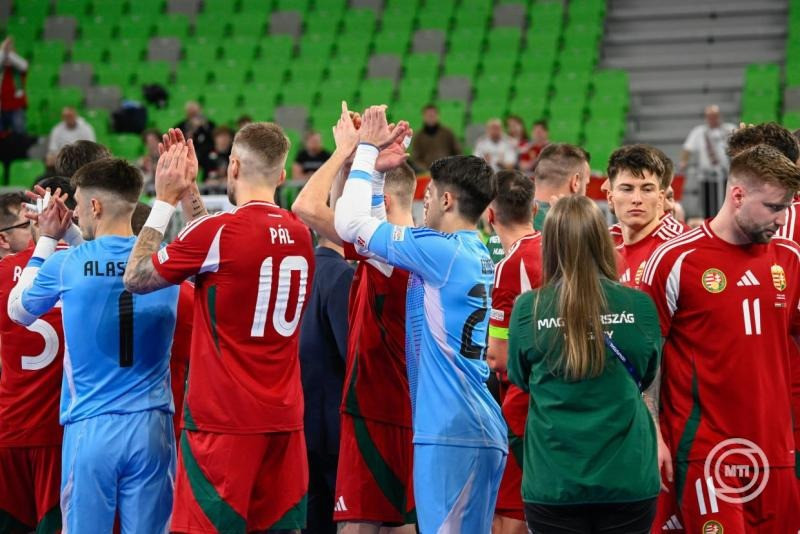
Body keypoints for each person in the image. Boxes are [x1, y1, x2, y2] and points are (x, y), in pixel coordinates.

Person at [123, 122, 315, 533]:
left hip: (223, 423)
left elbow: (137, 277)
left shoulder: (220, 233)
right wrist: (191, 191)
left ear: (231, 167)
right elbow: (220, 252)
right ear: (282, 176)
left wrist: (164, 200)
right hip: (284, 421)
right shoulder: (301, 235)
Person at [335, 105, 507, 533]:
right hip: (471, 424)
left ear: (446, 200)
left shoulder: (440, 251)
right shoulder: (470, 250)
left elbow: (349, 223)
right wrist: (375, 173)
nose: (422, 202)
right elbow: (374, 243)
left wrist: (364, 152)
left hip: (451, 430)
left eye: (427, 196)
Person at [7, 158, 180, 533]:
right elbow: (117, 263)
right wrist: (73, 235)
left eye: (80, 204)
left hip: (91, 428)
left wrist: (50, 238)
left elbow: (18, 311)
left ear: (95, 207)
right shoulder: (167, 261)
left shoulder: (67, 264)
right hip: (152, 427)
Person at [641, 145, 800, 532]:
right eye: (774, 207)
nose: (783, 219)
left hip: (777, 451)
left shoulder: (789, 258)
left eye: (787, 208)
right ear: (738, 194)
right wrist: (653, 435)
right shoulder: (675, 259)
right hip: (707, 454)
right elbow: (647, 360)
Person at [293, 107, 417, 533]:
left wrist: (354, 150)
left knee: (359, 527)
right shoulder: (417, 249)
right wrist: (360, 163)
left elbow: (307, 206)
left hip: (376, 412)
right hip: (404, 407)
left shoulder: (386, 252)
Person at [508, 195, 661, 533]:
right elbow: (647, 374)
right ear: (602, 240)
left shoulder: (528, 309)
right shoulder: (639, 306)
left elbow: (519, 378)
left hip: (554, 481)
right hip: (627, 477)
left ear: (550, 245)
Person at [0, 189, 66, 533]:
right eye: (29, 222)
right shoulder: (75, 263)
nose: (39, 225)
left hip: (11, 428)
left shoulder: (5, 273)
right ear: (4, 238)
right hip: (59, 432)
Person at [484, 170, 543, 534]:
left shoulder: (511, 266)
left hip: (524, 404)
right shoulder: (556, 248)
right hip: (559, 399)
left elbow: (498, 357)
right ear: (534, 208)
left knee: (509, 510)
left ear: (489, 215)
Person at [298, 235, 354, 534]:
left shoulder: (303, 269)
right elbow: (351, 352)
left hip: (301, 417)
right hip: (331, 427)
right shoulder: (341, 274)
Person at [608, 145, 685, 288]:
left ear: (661, 197)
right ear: (610, 197)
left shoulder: (680, 245)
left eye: (647, 189)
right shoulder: (602, 244)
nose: (636, 199)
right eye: (627, 189)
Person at [679, 105, 736, 218]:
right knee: (708, 205)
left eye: (715, 116)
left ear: (720, 116)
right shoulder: (699, 132)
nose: (712, 119)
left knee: (727, 203)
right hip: (706, 176)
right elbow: (687, 148)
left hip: (726, 175)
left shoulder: (729, 129)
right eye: (709, 117)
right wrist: (684, 161)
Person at [409, 103, 460, 171]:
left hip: (447, 172)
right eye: (428, 115)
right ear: (423, 116)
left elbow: (457, 152)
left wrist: (451, 166)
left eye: (433, 115)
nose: (431, 117)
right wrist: (425, 169)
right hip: (426, 173)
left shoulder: (447, 133)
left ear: (437, 116)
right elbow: (415, 158)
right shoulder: (418, 137)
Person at [174, 101, 215, 175]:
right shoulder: (181, 126)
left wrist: (203, 127)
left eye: (195, 112)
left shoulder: (209, 125)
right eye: (191, 113)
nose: (193, 116)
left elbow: (214, 140)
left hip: (205, 155)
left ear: (200, 111)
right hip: (186, 155)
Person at [0, 36, 28, 135]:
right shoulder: (1, 71)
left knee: (19, 134)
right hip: (1, 106)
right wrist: (3, 50)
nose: (7, 58)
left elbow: (24, 64)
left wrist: (7, 51)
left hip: (16, 107)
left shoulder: (19, 70)